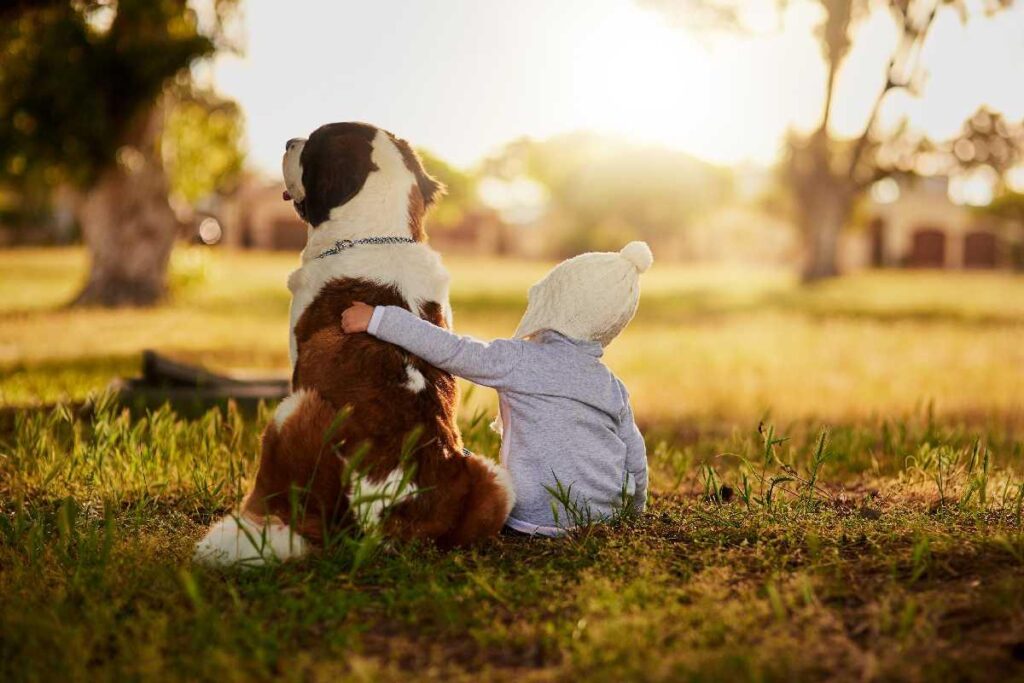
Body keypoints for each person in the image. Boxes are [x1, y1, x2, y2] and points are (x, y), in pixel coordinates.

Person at [340, 241, 653, 537]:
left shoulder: (520, 359)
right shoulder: (612, 386)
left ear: (556, 301)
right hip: (607, 517)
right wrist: (634, 513)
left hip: (534, 518)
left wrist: (379, 318)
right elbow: (635, 458)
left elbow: (452, 350)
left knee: (456, 458)